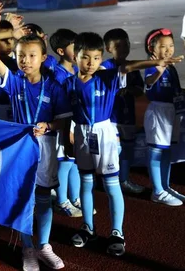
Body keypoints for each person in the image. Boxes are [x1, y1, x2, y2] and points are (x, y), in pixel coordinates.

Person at [65, 32, 182, 256]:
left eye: (97, 58)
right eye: (86, 57)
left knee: (111, 185)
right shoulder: (68, 83)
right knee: (86, 183)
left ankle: (117, 232)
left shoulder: (108, 77)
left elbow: (128, 67)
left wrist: (155, 62)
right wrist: (67, 135)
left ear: (102, 58)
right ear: (75, 57)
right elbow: (67, 112)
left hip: (104, 134)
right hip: (81, 134)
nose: (91, 63)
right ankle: (88, 227)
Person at [0, 16, 70, 271]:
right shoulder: (14, 81)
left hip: (44, 146)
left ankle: (44, 245)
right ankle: (27, 248)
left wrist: (49, 126)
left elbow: (63, 121)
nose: (25, 60)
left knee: (43, 199)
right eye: (21, 55)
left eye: (31, 55)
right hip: (20, 146)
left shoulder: (54, 87)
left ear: (43, 57)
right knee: (23, 198)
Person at [143, 28, 185, 206]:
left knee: (166, 151)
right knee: (157, 151)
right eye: (162, 46)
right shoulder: (152, 66)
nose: (168, 49)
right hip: (158, 113)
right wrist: (158, 70)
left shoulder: (171, 66)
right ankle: (157, 191)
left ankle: (165, 186)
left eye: (171, 45)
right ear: (152, 48)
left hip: (171, 112)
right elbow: (148, 83)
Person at [101, 29, 145, 194]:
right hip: (110, 119)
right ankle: (110, 181)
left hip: (128, 117)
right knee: (113, 151)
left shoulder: (132, 67)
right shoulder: (105, 67)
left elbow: (140, 90)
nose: (123, 49)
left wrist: (130, 90)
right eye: (118, 46)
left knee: (127, 151)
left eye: (126, 44)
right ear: (108, 48)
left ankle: (124, 180)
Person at [49, 29, 82, 217]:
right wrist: (67, 129)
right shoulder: (58, 75)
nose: (79, 50)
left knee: (76, 162)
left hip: (76, 122)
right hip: (64, 124)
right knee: (64, 162)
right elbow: (59, 106)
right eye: (74, 47)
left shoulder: (77, 69)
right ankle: (62, 201)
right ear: (61, 51)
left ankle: (75, 198)